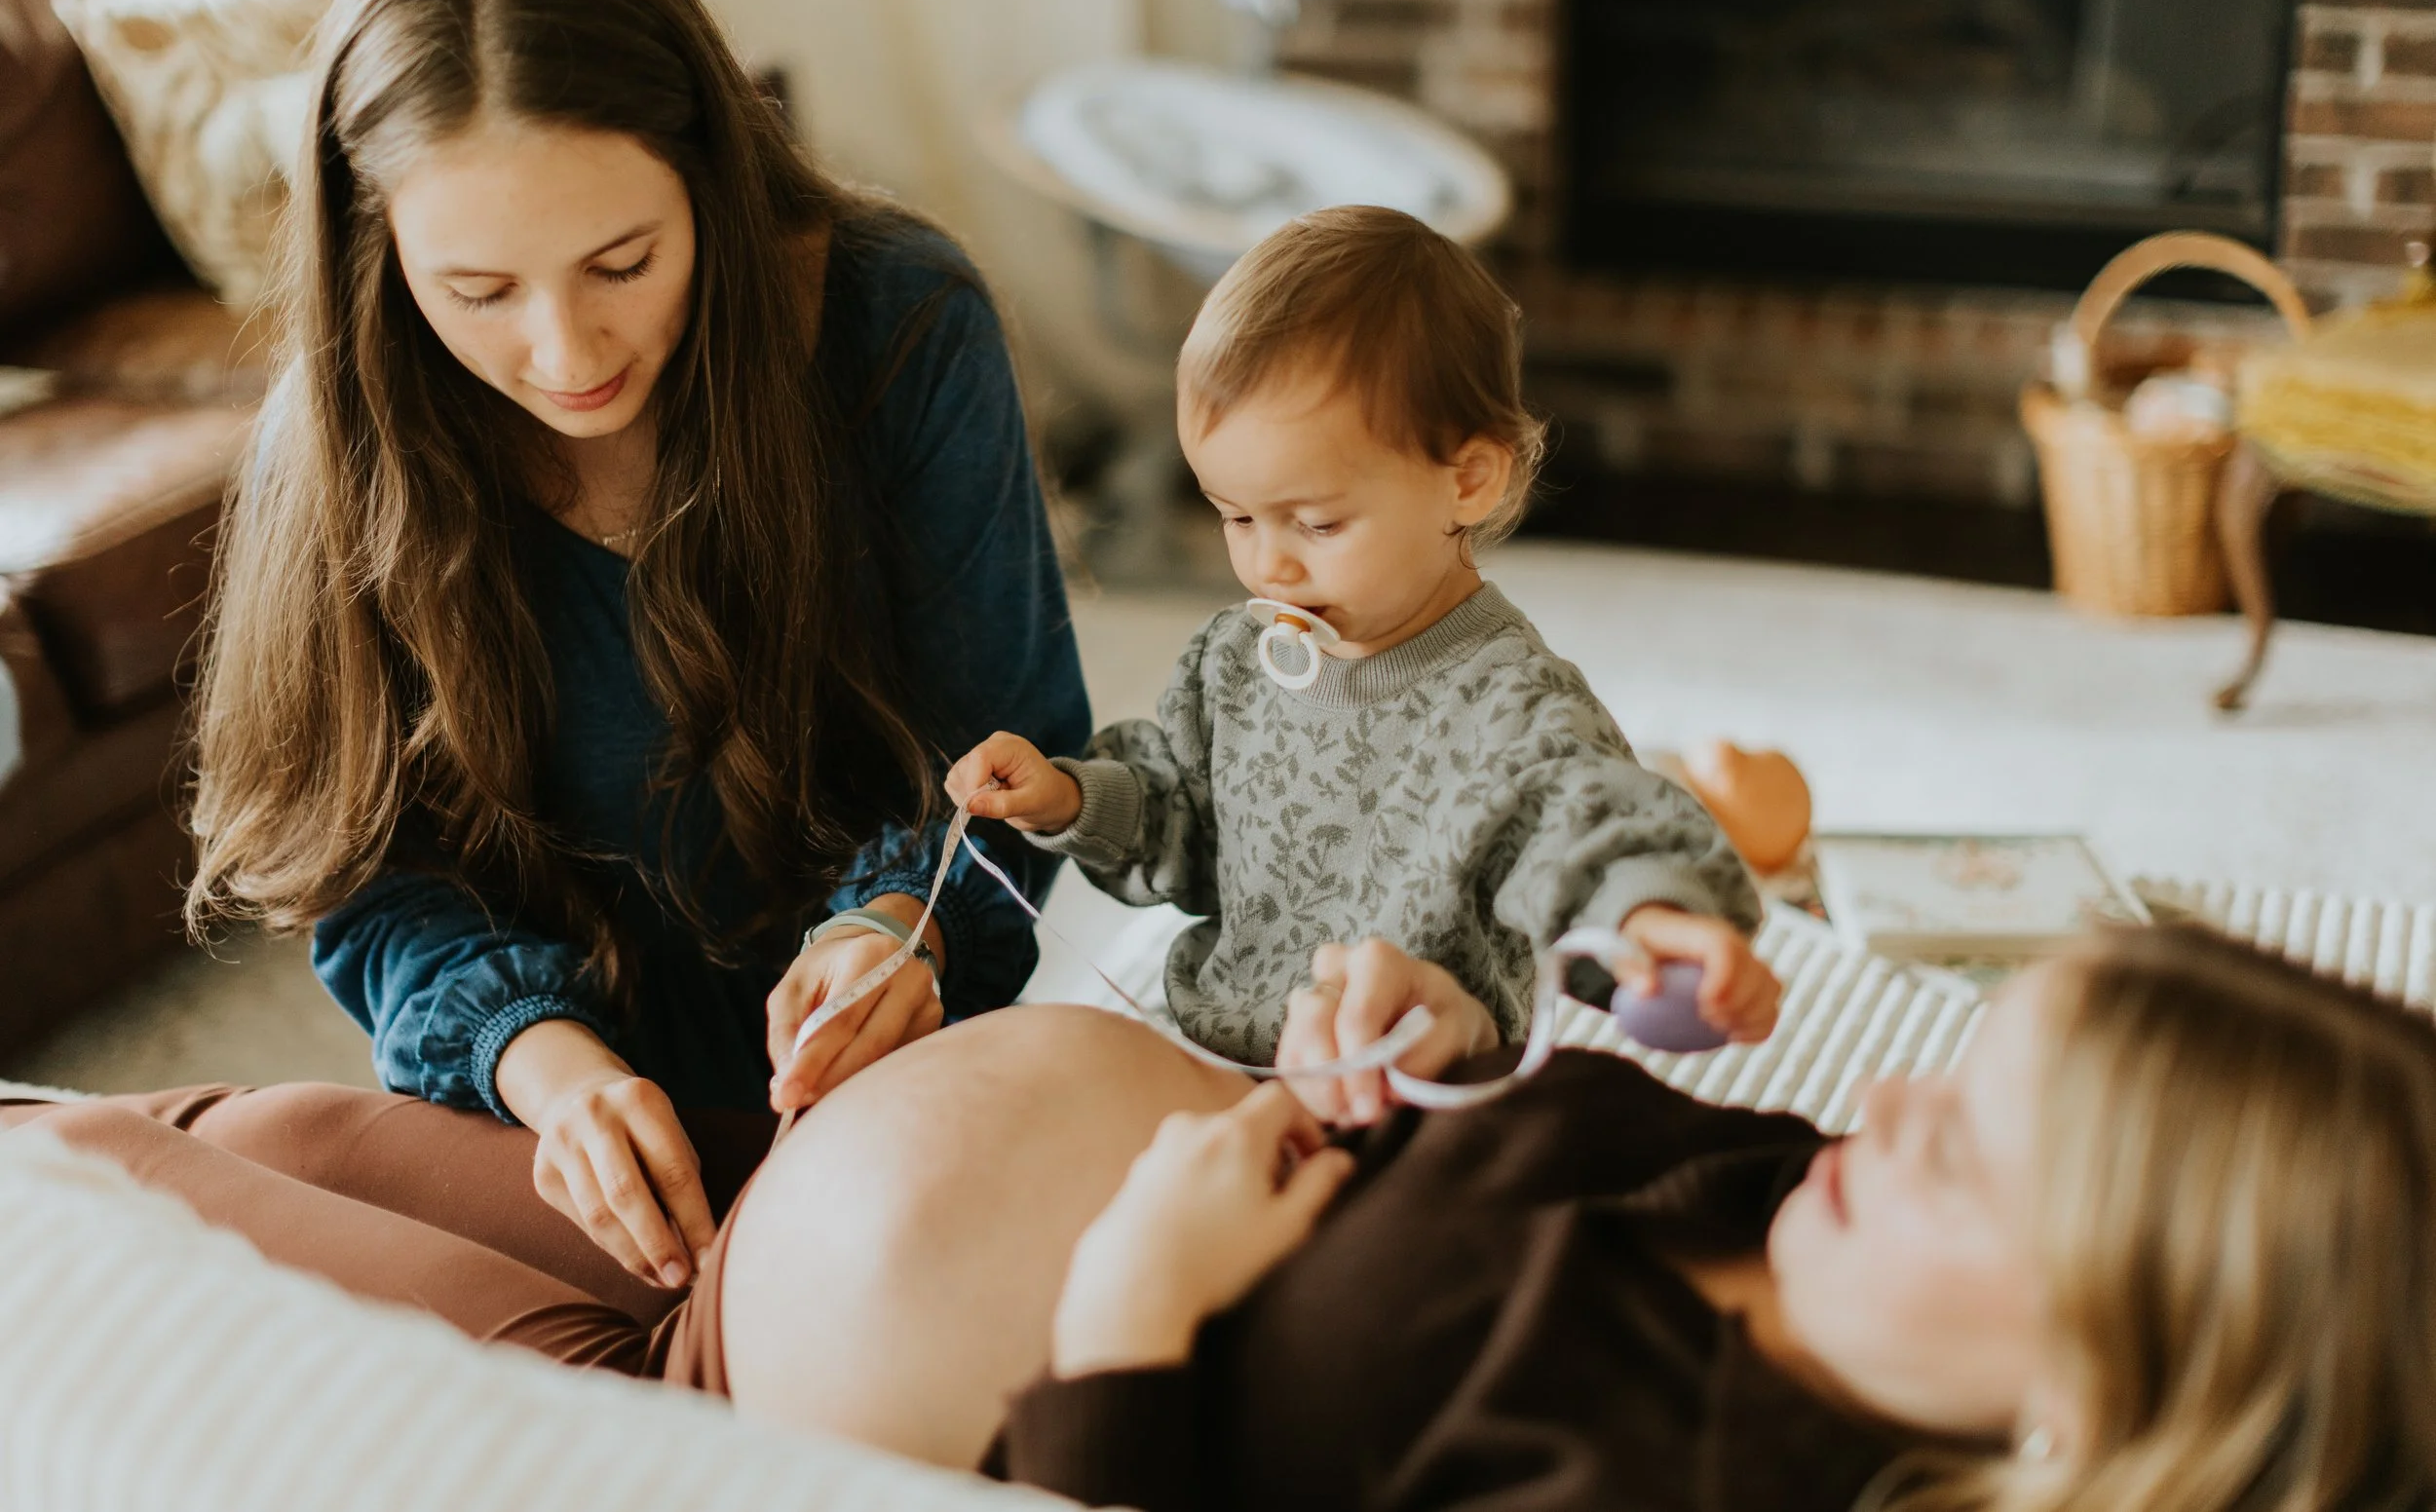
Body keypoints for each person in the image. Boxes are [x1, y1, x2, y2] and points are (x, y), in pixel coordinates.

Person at [8, 923, 2430, 1512]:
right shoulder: (1789, 1197)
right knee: (278, 1128)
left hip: (727, 1417)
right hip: (759, 1219)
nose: (1889, 1113)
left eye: (1978, 1157)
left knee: (93, 1191)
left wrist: (1143, 1319)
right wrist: (1397, 1057)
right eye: (1953, 1071)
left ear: (2121, 1400)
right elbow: (1508, 1154)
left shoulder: (1660, 1479)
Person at [178, 0, 1088, 1294]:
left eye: (623, 262)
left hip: (877, 1090)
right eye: (477, 289)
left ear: (709, 182)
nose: (564, 351)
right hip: (534, 1120)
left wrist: (884, 926)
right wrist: (545, 1067)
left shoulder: (900, 324)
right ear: (380, 252)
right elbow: (364, 868)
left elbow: (1010, 749)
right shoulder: (345, 428)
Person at [946, 206, 1779, 1097]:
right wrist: (1069, 795)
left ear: (1467, 481)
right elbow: (1181, 818)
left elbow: (1591, 831)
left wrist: (1656, 920)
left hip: (1402, 1079)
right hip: (1213, 1050)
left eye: (1317, 522)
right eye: (1233, 516)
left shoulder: (1511, 705)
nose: (1269, 560)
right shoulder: (1234, 659)